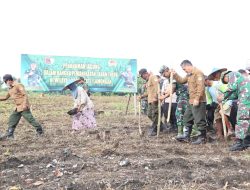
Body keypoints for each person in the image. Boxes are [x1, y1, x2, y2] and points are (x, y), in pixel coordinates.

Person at [171, 60, 207, 144]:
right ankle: (186, 136)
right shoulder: (189, 74)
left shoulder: (198, 73)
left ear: (188, 66)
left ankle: (202, 138)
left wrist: (197, 99)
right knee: (186, 118)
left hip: (199, 101)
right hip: (191, 101)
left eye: (184, 69)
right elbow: (182, 80)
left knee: (199, 120)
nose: (184, 71)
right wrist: (175, 74)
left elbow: (200, 87)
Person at [0, 74, 43, 140]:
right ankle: (10, 135)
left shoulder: (18, 85)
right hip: (17, 108)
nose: (5, 83)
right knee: (12, 119)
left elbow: (25, 95)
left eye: (5, 81)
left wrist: (25, 104)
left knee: (30, 119)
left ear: (9, 80)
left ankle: (40, 131)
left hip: (23, 106)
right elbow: (5, 98)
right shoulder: (10, 88)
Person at [218, 71, 250, 151]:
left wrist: (222, 96)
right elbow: (234, 94)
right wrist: (225, 98)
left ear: (226, 76)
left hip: (245, 100)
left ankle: (239, 143)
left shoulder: (232, 74)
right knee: (247, 120)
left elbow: (230, 88)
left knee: (242, 119)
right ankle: (247, 141)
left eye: (226, 81)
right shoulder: (241, 81)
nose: (228, 82)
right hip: (246, 98)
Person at [138, 68, 167, 136]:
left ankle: (154, 130)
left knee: (155, 115)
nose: (142, 78)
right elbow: (148, 92)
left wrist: (156, 97)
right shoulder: (148, 81)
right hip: (150, 101)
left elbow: (157, 87)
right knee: (149, 114)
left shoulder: (153, 77)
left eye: (142, 76)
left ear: (145, 73)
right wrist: (141, 96)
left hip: (155, 100)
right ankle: (162, 127)